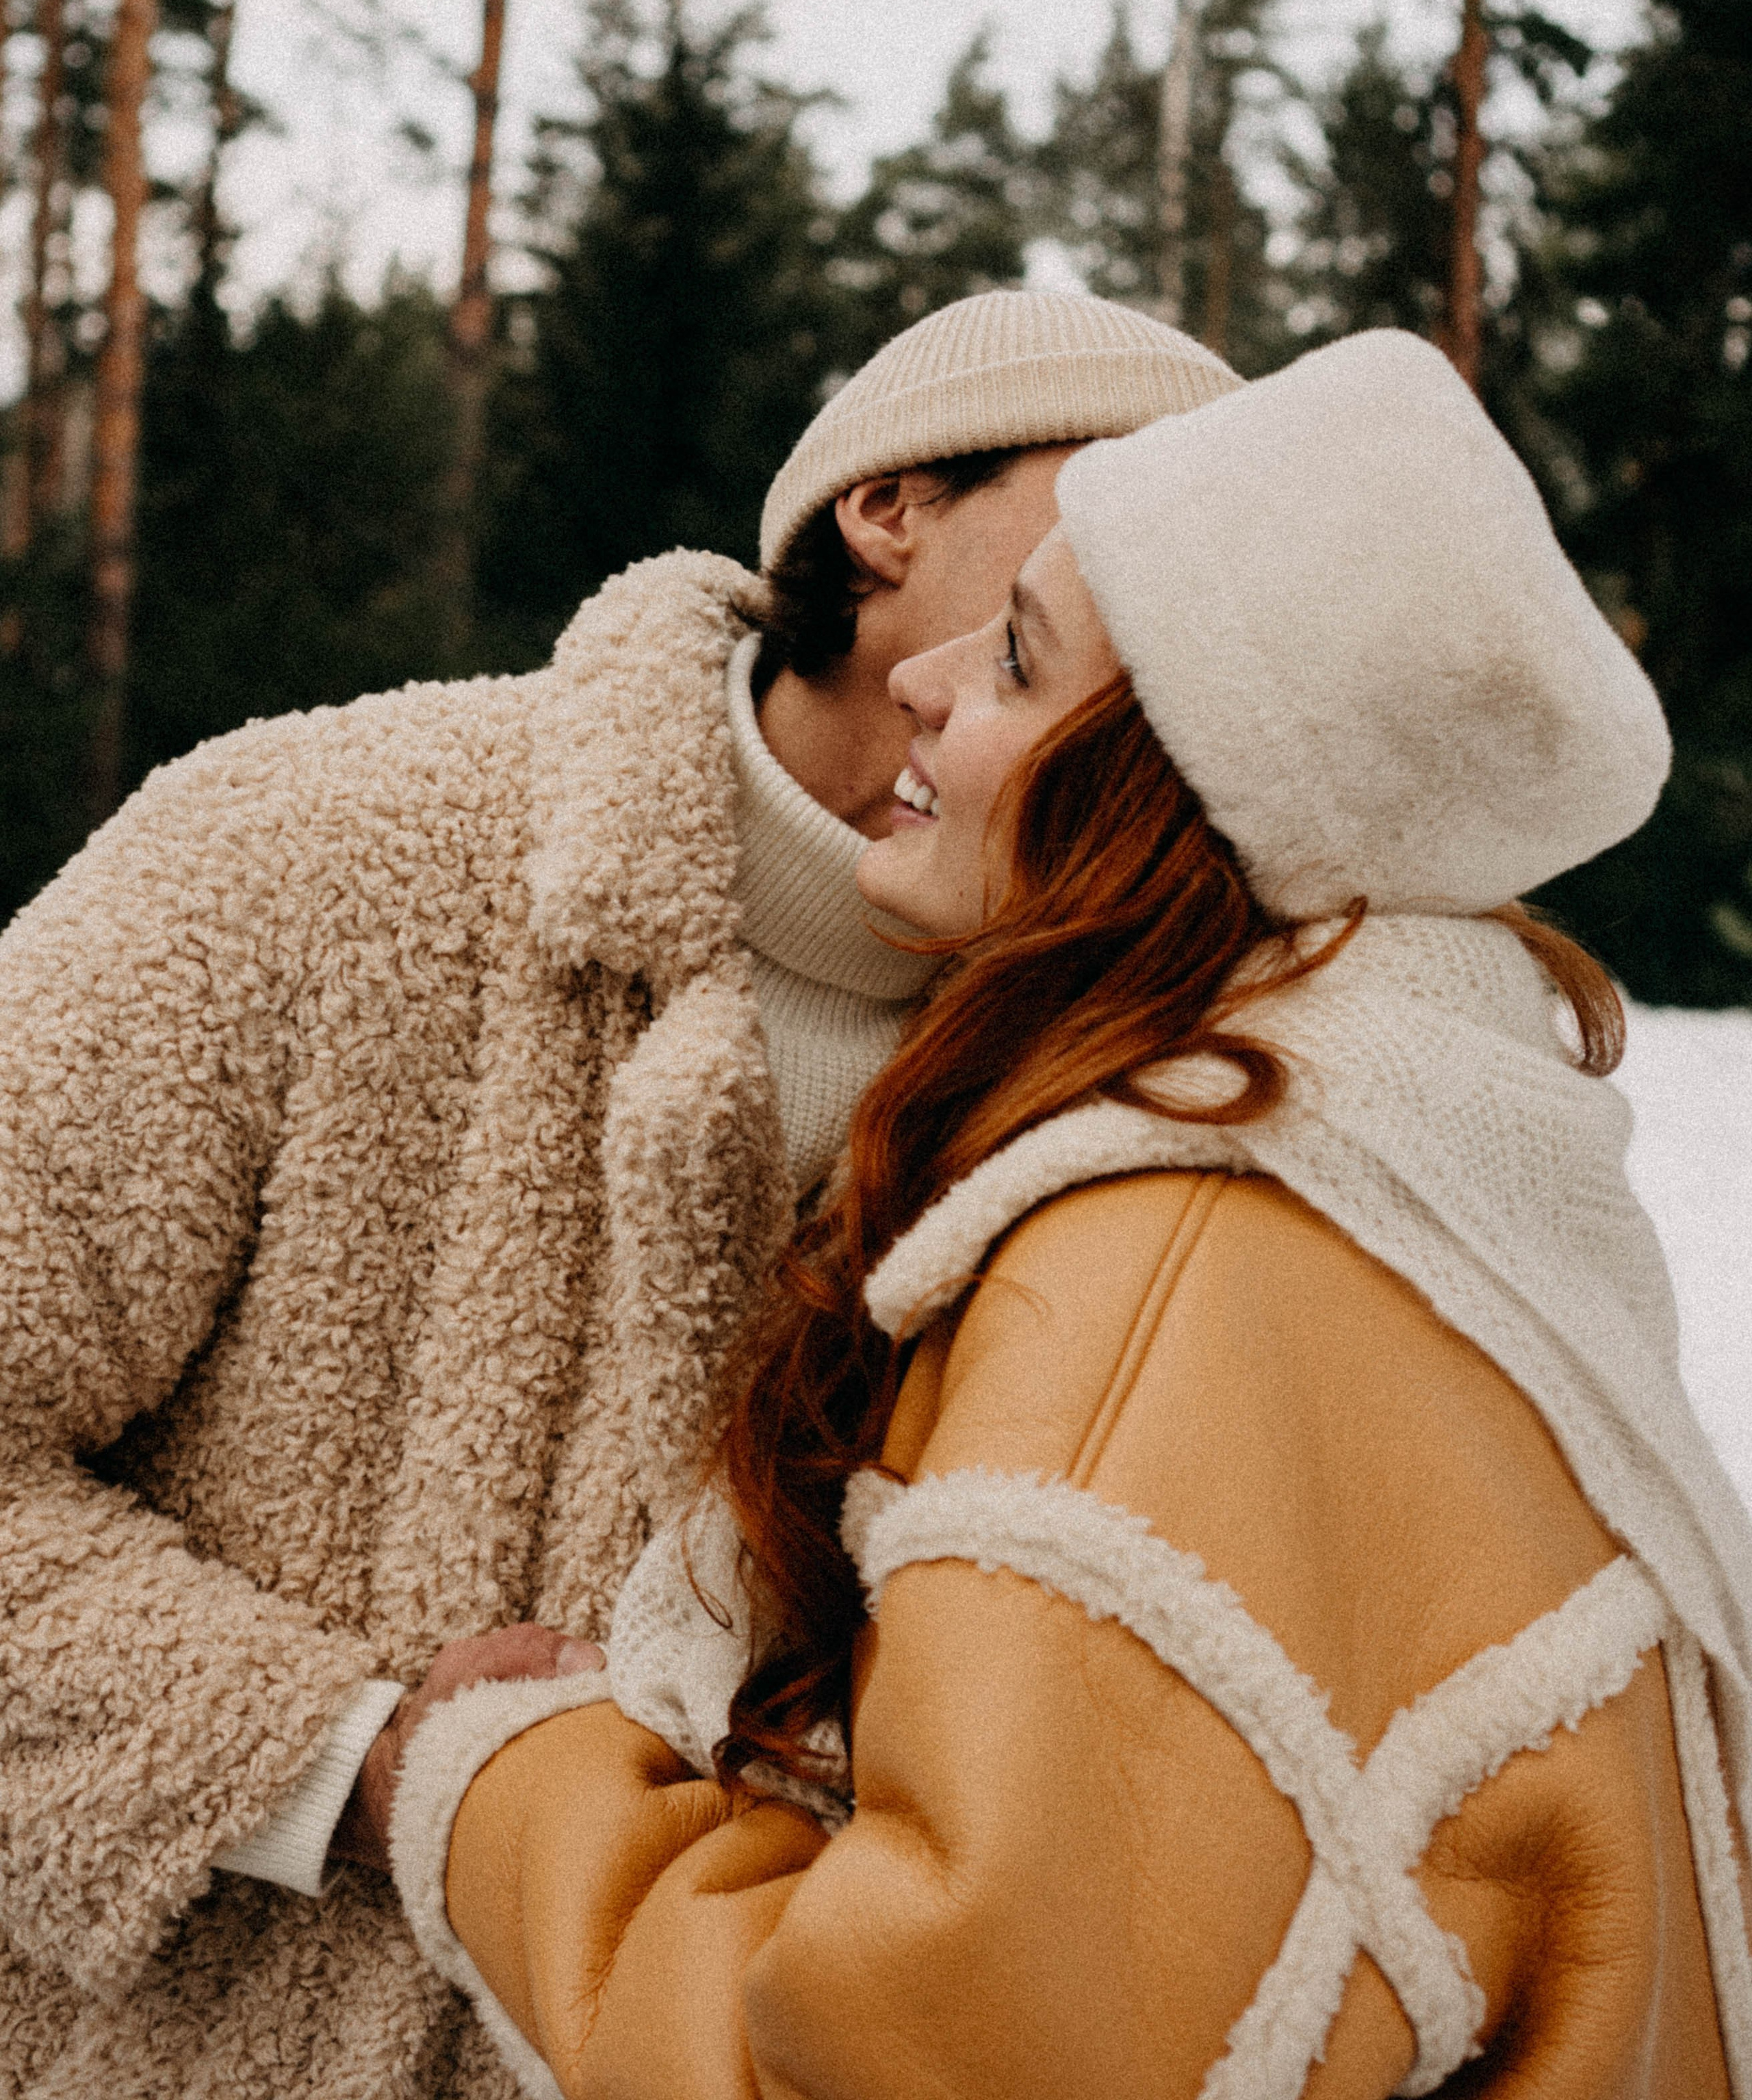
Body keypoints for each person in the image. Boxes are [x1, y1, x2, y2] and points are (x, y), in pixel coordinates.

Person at [387, 331, 1752, 2100]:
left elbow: (904, 2066)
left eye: (1021, 658)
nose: (938, 686)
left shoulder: (1170, 1270)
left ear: (1186, 798)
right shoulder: (1436, 1189)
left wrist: (506, 1781)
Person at [0, 292, 1240, 2099]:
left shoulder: (1156, 1081)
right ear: (884, 507)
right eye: (1119, 499)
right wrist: (343, 1765)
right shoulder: (312, 857)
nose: (1167, 577)